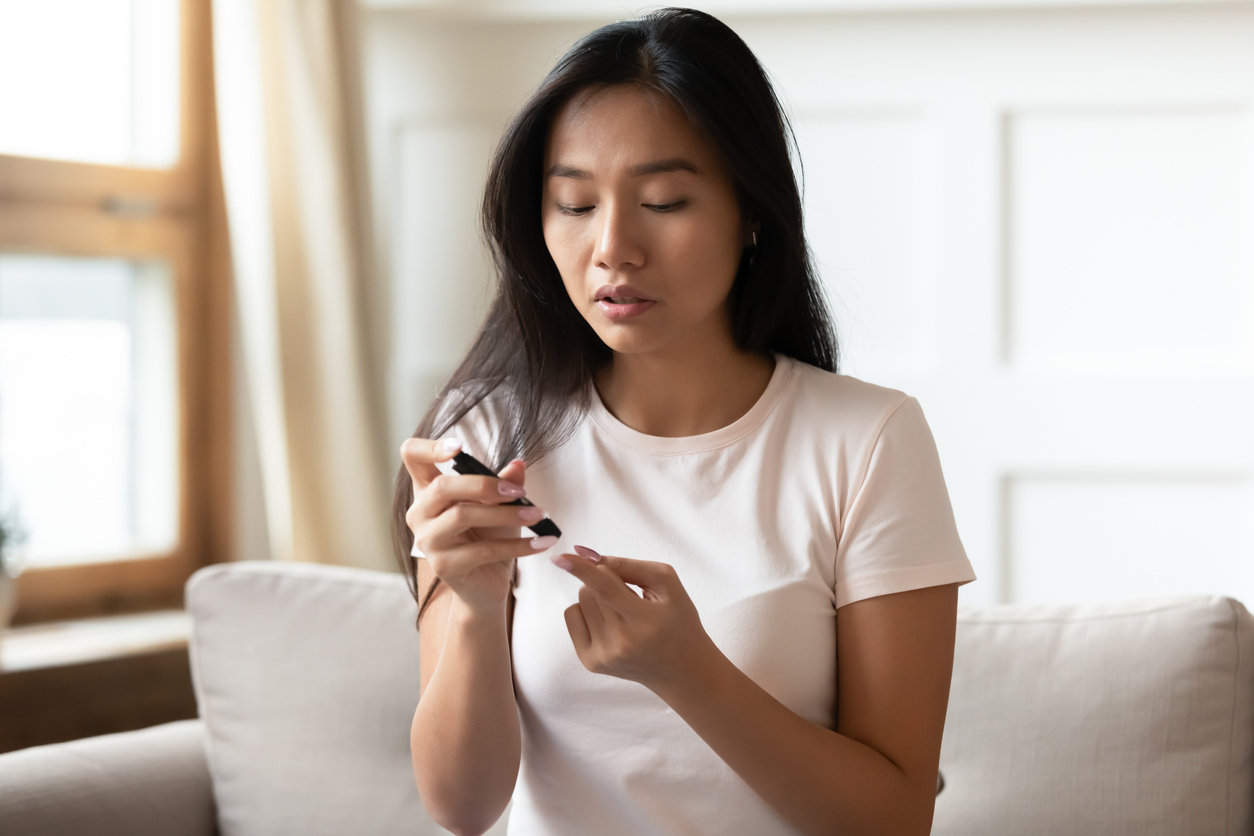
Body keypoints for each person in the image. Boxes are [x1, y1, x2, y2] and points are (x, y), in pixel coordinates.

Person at [394, 8, 975, 836]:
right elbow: (461, 807)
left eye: (663, 202)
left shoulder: (866, 442)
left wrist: (688, 673)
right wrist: (478, 609)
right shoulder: (487, 436)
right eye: (573, 204)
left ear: (752, 214)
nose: (613, 247)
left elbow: (894, 819)